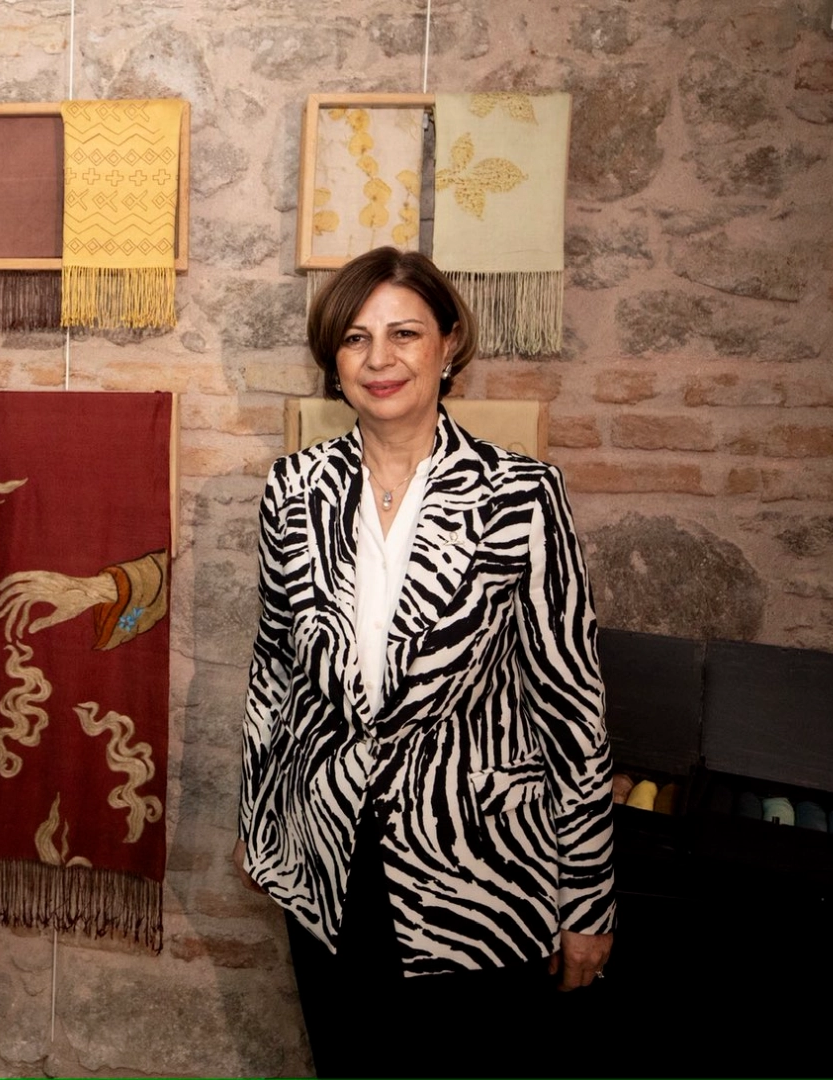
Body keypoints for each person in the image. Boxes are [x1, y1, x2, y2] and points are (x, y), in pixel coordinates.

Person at [235, 247, 614, 1076]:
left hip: (478, 873)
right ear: (334, 361)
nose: (380, 358)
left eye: (404, 333)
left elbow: (572, 706)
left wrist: (587, 899)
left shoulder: (523, 497)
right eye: (356, 338)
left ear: (448, 345)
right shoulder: (294, 488)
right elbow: (275, 669)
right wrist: (262, 827)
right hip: (328, 860)